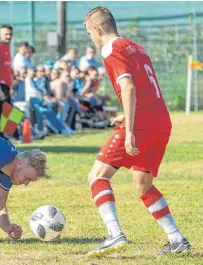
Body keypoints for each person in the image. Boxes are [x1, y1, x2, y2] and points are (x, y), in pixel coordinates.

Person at [83, 6, 190, 257]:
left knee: (97, 175)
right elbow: (145, 86)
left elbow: (128, 86)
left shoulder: (111, 49)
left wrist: (129, 129)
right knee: (143, 185)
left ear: (97, 29)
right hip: (160, 121)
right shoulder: (136, 47)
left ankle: (114, 234)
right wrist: (129, 114)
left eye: (89, 33)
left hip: (141, 124)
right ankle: (177, 239)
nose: (91, 38)